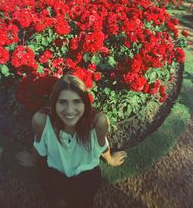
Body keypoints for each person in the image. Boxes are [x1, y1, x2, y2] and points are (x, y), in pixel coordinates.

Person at [16, 73, 127, 208]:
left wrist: (110, 159)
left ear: (85, 102)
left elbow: (102, 144)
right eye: (63, 102)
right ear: (54, 102)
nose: (69, 110)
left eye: (76, 102)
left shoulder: (98, 121)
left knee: (83, 203)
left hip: (86, 174)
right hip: (54, 172)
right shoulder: (42, 120)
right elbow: (39, 145)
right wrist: (33, 160)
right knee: (57, 203)